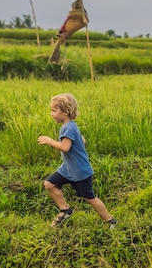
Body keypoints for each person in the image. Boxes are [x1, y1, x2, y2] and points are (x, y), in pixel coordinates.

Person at [38, 93, 117, 228]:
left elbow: (65, 147)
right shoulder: (71, 126)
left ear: (66, 112)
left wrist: (49, 141)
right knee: (49, 184)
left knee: (90, 198)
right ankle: (65, 210)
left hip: (79, 172)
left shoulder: (68, 128)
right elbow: (83, 140)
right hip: (68, 169)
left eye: (54, 110)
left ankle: (110, 221)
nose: (51, 114)